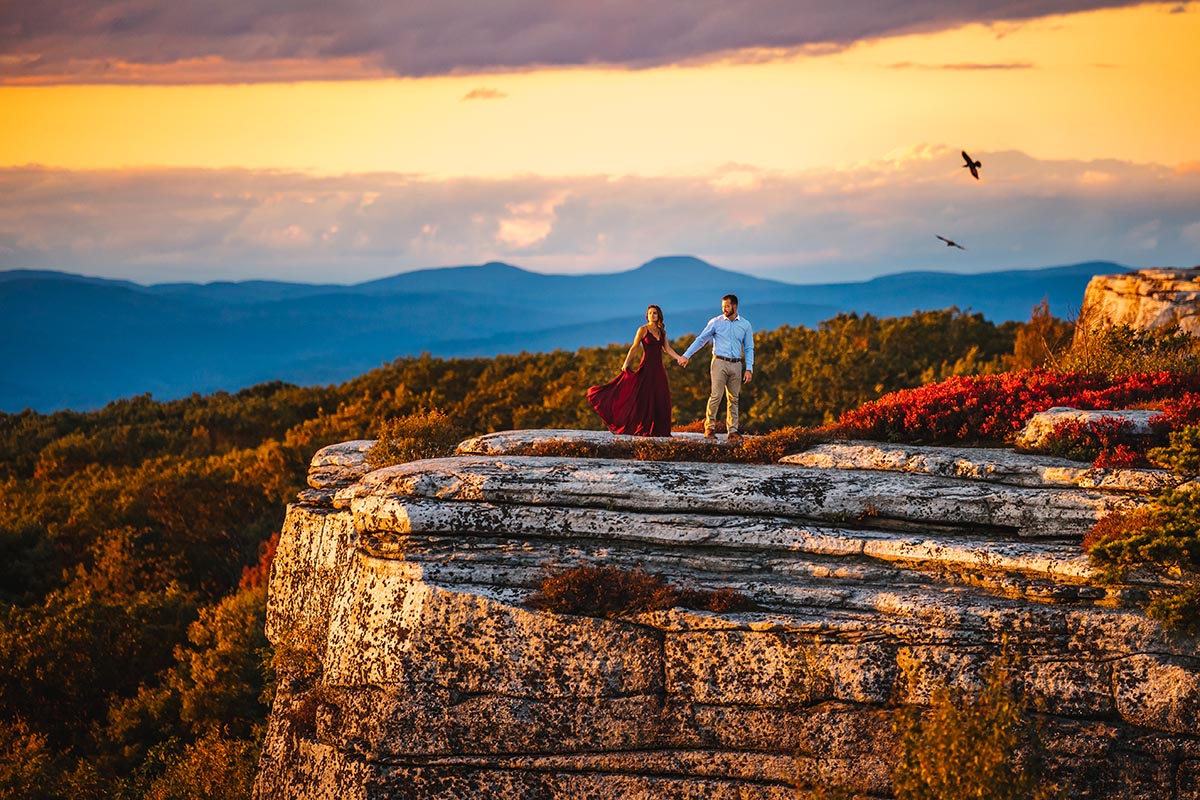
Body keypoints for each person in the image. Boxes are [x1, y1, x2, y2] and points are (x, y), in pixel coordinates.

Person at [587, 304, 683, 437]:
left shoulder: (662, 331)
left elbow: (667, 349)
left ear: (659, 315)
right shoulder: (643, 330)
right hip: (647, 367)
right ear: (647, 315)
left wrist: (679, 358)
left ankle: (660, 430)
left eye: (654, 313)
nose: (652, 315)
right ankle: (643, 426)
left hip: (658, 369)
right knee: (644, 398)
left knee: (661, 396)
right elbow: (634, 347)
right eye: (649, 313)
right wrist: (626, 363)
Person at [678, 294, 754, 440]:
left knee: (734, 398)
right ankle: (709, 428)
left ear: (735, 306)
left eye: (727, 306)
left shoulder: (745, 325)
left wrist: (749, 368)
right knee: (716, 396)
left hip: (737, 364)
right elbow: (701, 340)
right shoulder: (716, 322)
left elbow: (749, 348)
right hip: (719, 362)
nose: (724, 309)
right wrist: (686, 355)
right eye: (723, 306)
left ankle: (732, 431)